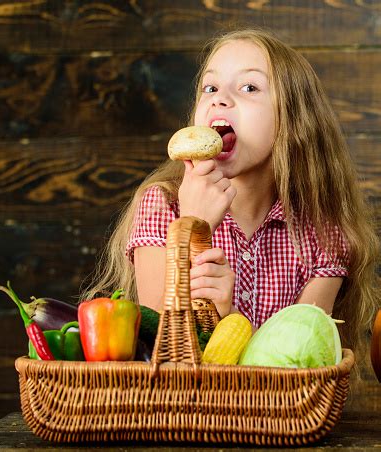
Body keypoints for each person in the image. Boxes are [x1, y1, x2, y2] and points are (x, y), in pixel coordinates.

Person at [82, 28, 379, 359]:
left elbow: (299, 364)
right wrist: (194, 226)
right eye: (210, 87)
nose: (218, 98)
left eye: (249, 87)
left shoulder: (324, 235)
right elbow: (160, 350)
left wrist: (229, 314)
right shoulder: (162, 206)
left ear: (292, 120)